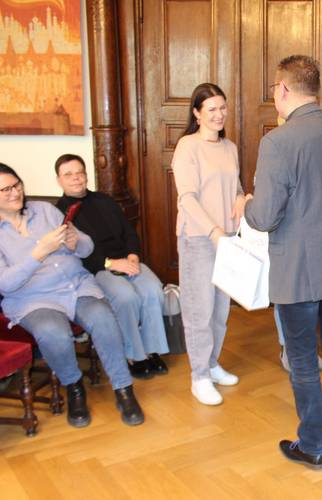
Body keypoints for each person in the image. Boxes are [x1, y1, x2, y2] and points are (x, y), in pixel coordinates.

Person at [245, 55, 322, 470]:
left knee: (301, 359)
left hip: (300, 269)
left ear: (283, 89)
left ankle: (312, 444)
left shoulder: (278, 142)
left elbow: (264, 217)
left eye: (273, 91)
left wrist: (246, 204)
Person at [0, 163, 144, 427]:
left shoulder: (43, 210)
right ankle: (74, 388)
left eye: (17, 185)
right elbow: (5, 283)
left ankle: (124, 390)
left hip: (76, 285)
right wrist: (39, 253)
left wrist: (76, 241)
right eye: (5, 189)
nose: (14, 192)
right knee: (52, 332)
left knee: (103, 318)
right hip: (33, 299)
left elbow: (87, 248)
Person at [55, 154, 169, 380]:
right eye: (69, 175)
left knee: (153, 290)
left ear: (86, 175)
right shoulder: (59, 212)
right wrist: (110, 263)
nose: (76, 178)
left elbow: (128, 232)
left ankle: (151, 349)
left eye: (80, 172)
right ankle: (134, 355)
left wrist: (134, 256)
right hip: (97, 268)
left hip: (127, 259)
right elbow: (74, 253)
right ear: (59, 180)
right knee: (126, 297)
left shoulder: (105, 200)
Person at [172, 82, 251, 406]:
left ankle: (212, 363)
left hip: (228, 239)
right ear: (197, 113)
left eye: (222, 108)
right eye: (211, 110)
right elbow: (187, 198)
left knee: (220, 312)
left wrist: (242, 199)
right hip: (198, 240)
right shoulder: (187, 147)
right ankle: (199, 376)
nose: (219, 115)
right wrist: (214, 231)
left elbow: (235, 187)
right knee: (199, 311)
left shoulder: (230, 147)